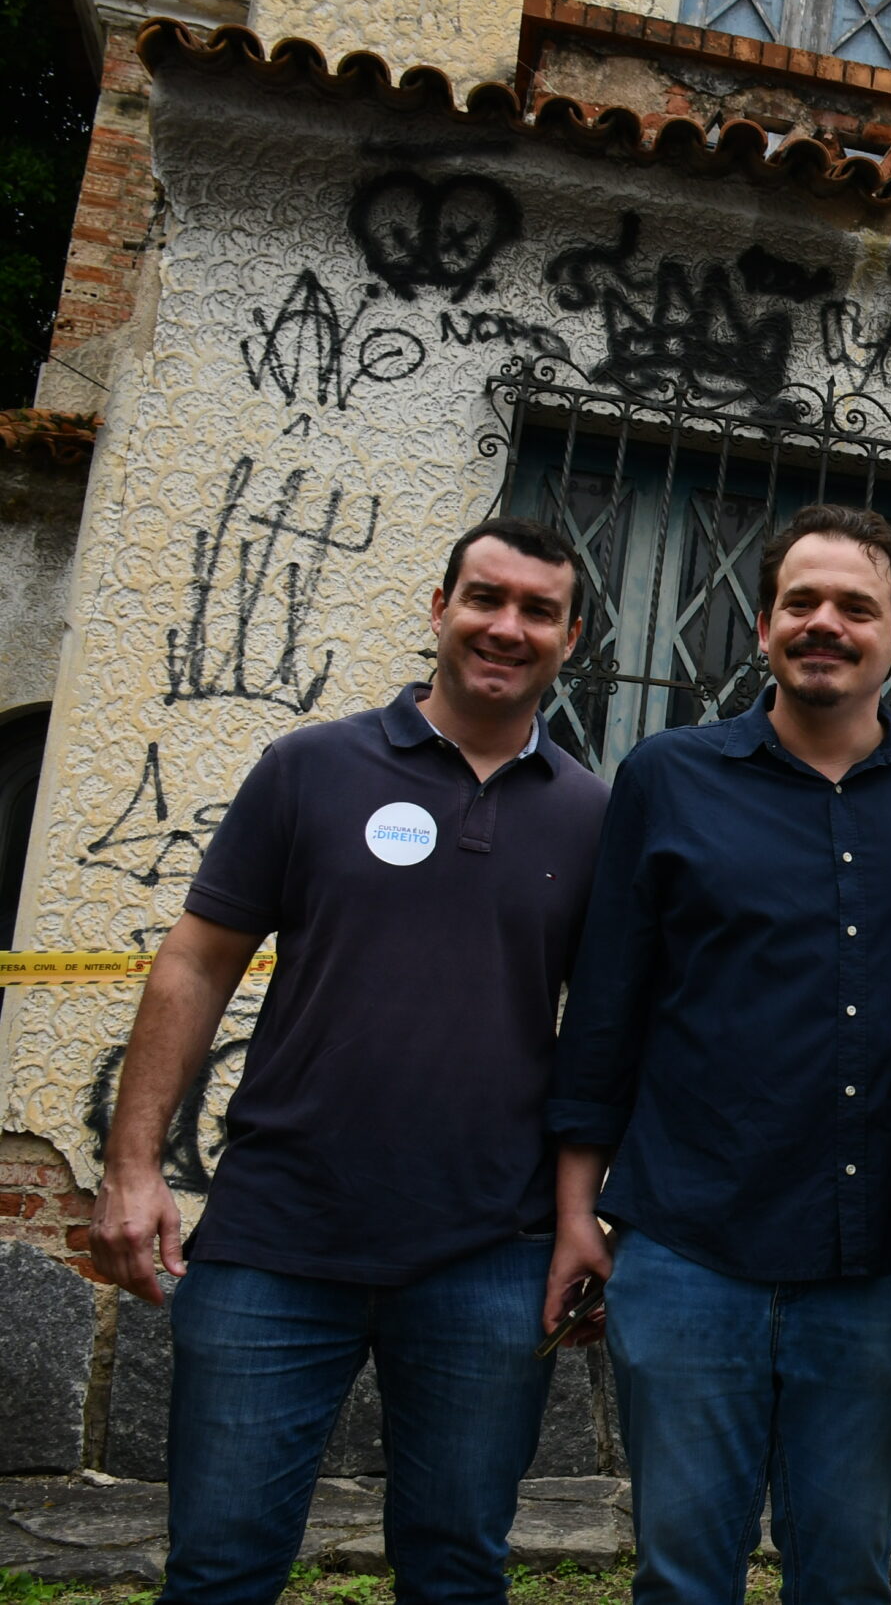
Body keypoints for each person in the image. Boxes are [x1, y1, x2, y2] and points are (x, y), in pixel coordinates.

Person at [89, 519, 604, 1604]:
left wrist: (580, 1215)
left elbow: (604, 1035)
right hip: (278, 1240)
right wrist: (133, 1166)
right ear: (438, 606)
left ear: (570, 638)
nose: (506, 627)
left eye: (538, 611)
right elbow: (195, 961)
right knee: (219, 1568)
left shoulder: (592, 814)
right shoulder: (310, 768)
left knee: (458, 1570)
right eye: (485, 598)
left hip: (487, 1255)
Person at [545, 505, 891, 1605]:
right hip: (691, 1248)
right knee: (684, 1575)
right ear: (761, 626)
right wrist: (572, 1211)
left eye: (856, 607)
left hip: (875, 1255)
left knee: (845, 1575)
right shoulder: (667, 776)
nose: (824, 624)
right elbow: (607, 1007)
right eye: (801, 602)